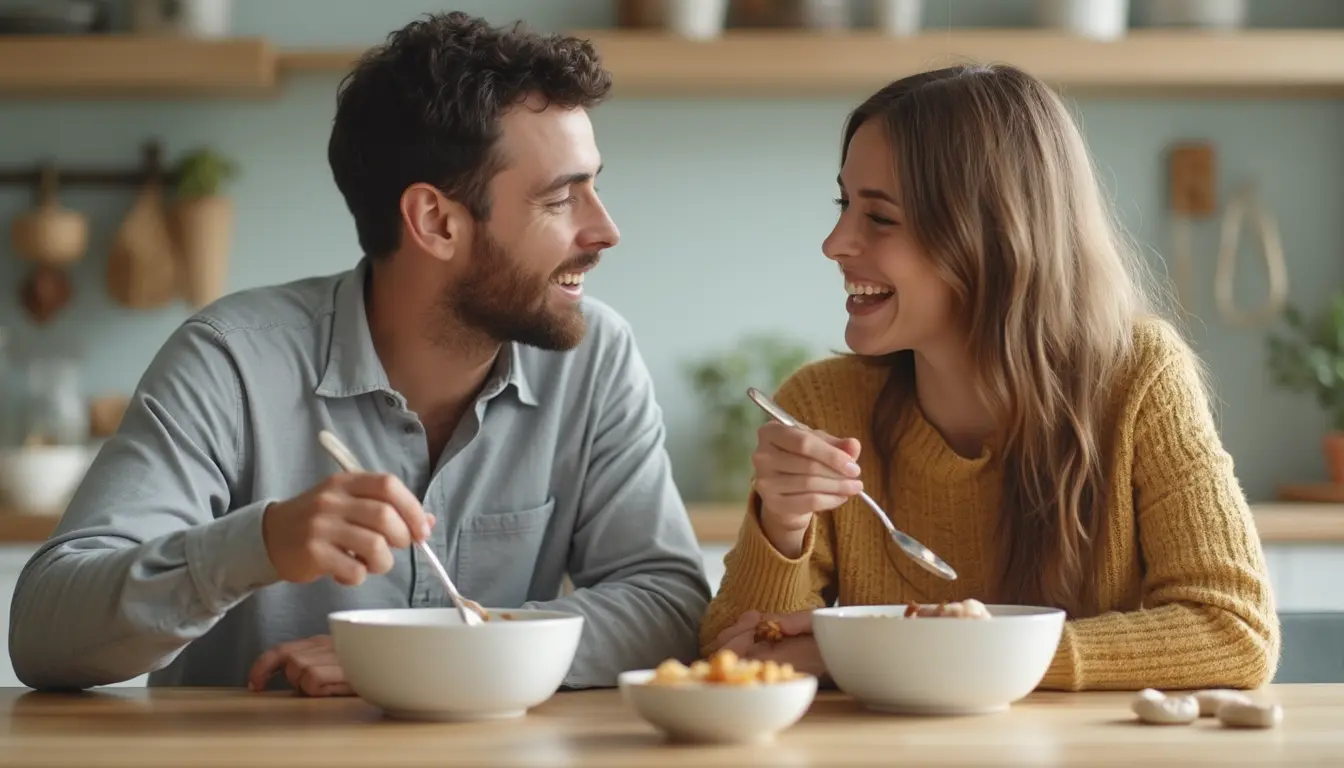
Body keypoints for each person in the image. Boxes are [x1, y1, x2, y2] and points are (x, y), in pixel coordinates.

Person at [8, 11, 710, 694]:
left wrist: (442, 652)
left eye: (595, 186)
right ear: (436, 221)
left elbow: (669, 607)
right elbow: (44, 631)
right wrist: (260, 545)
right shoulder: (232, 361)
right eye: (562, 199)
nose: (607, 229)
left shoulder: (595, 358)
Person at [699, 64, 1280, 692]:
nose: (835, 242)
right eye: (844, 205)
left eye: (881, 218)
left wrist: (911, 651)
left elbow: (1234, 632)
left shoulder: (1139, 376)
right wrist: (783, 526)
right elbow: (735, 653)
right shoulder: (821, 404)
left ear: (993, 237)